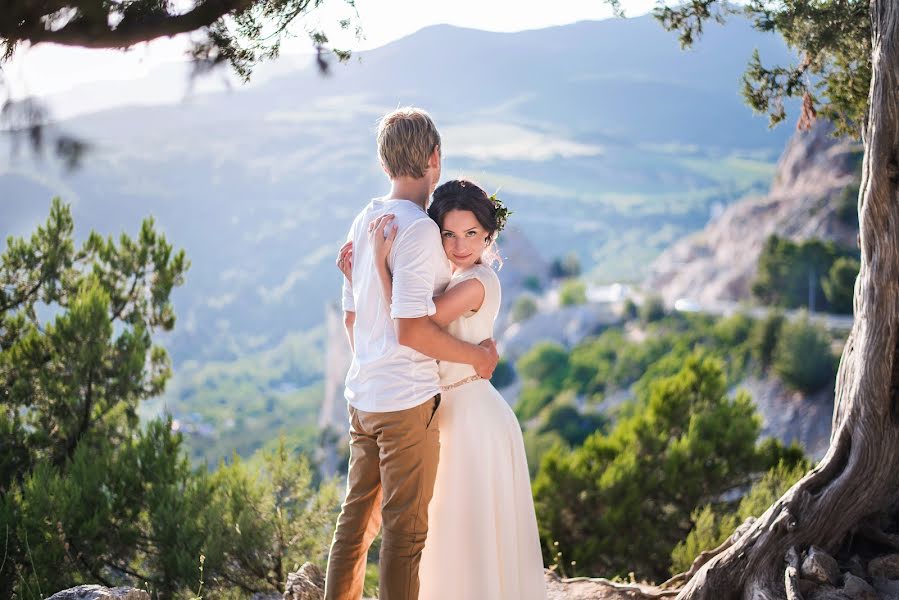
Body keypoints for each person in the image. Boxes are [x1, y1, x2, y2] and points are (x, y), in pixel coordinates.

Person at [338, 179, 547, 599]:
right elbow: (375, 326)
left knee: (466, 530)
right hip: (443, 413)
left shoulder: (477, 281)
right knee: (447, 531)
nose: (459, 244)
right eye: (449, 234)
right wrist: (355, 276)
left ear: (489, 235)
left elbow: (418, 324)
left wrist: (376, 268)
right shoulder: (451, 277)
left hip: (472, 416)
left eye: (471, 234)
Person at [324, 108, 499, 600]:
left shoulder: (365, 220)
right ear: (434, 158)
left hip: (364, 395)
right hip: (404, 402)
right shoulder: (420, 229)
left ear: (385, 164)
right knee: (405, 535)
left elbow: (354, 318)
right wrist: (475, 356)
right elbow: (412, 331)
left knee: (355, 525)